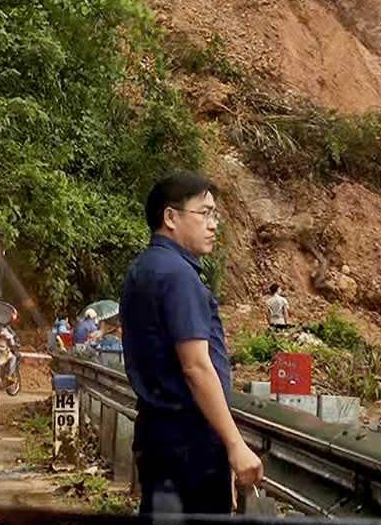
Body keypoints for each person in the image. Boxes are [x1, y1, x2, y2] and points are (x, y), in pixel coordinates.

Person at [120, 172, 264, 515]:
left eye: (215, 215)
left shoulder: (142, 268)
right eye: (205, 213)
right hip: (190, 444)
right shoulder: (179, 276)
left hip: (156, 435)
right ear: (170, 217)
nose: (213, 225)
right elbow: (196, 367)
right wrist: (235, 444)